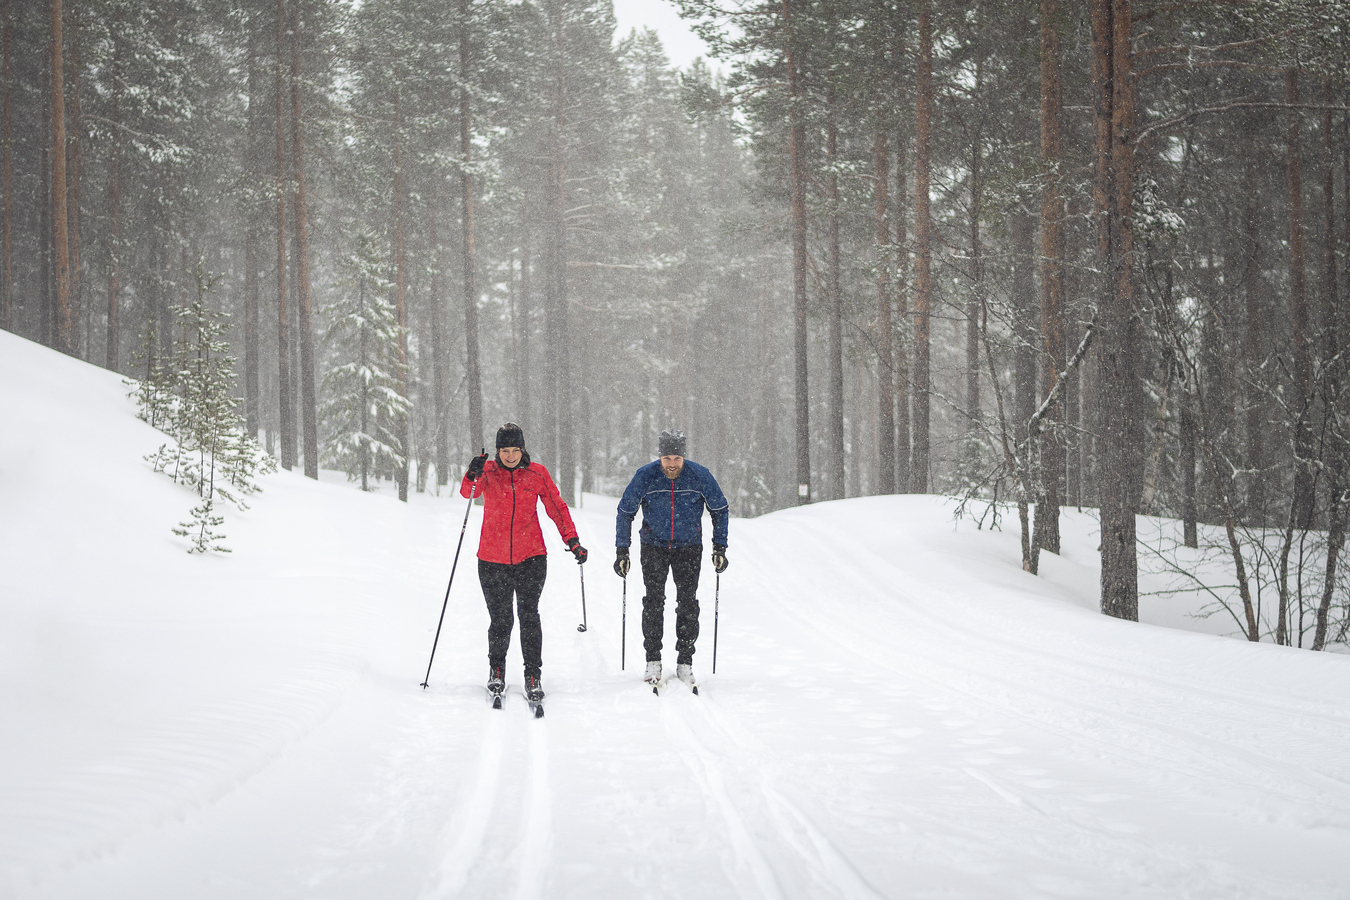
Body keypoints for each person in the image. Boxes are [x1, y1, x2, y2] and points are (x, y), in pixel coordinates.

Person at [462, 422, 586, 703]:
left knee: (529, 615)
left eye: (514, 450)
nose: (509, 456)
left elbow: (556, 507)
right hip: (492, 559)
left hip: (531, 557)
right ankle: (497, 669)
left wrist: (572, 540)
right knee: (501, 619)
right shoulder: (489, 472)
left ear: (523, 449)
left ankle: (533, 674)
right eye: (504, 450)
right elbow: (468, 492)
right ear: (497, 451)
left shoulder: (536, 473)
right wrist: (472, 472)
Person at [614, 430, 728, 689]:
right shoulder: (646, 475)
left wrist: (719, 546)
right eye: (667, 458)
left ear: (684, 456)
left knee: (687, 603)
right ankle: (653, 660)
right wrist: (623, 550)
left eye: (677, 457)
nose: (672, 464)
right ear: (660, 457)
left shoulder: (699, 475)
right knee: (653, 601)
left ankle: (685, 662)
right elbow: (625, 511)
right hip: (653, 546)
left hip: (689, 547)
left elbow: (720, 509)